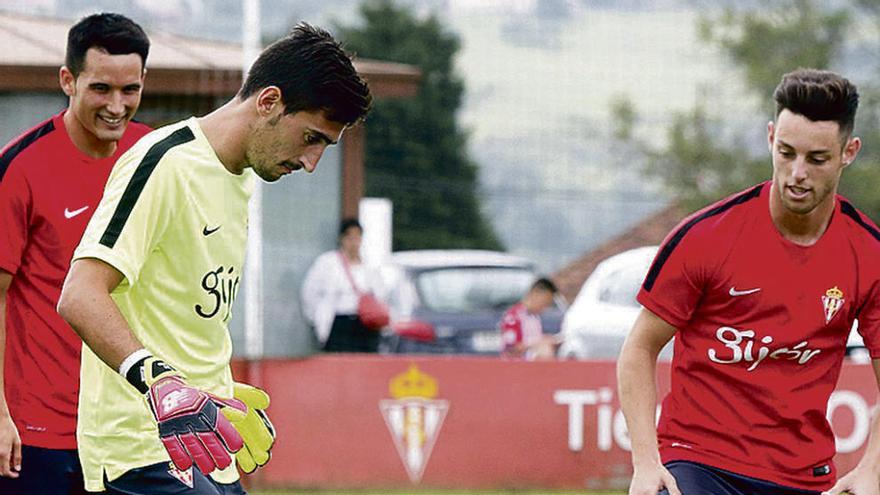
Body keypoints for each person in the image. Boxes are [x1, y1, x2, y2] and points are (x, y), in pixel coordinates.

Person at [56, 24, 371, 494]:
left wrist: (217, 391)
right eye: (311, 138)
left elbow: (185, 313)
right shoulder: (165, 163)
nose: (311, 163)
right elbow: (79, 294)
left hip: (207, 445)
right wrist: (160, 383)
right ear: (268, 102)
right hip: (140, 450)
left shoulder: (240, 177)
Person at [618, 68, 880, 495]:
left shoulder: (869, 253)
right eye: (786, 152)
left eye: (817, 159)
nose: (797, 172)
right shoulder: (705, 236)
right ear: (771, 136)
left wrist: (873, 468)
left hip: (803, 476)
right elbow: (639, 347)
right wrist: (646, 462)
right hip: (698, 462)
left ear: (848, 152)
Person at [0, 13, 150, 495]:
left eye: (130, 90)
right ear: (68, 80)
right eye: (101, 88)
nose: (116, 105)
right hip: (38, 431)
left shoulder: (154, 158)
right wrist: (0, 414)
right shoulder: (20, 167)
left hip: (127, 427)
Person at [301, 218, 388, 352]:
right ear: (342, 239)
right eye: (350, 237)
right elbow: (309, 292)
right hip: (339, 322)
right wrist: (317, 317)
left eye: (357, 237)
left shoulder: (369, 266)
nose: (354, 242)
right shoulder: (328, 263)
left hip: (365, 324)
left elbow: (381, 294)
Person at [499, 277, 559, 360]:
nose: (545, 308)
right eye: (545, 303)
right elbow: (512, 348)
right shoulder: (514, 316)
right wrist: (538, 343)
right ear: (536, 295)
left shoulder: (535, 318)